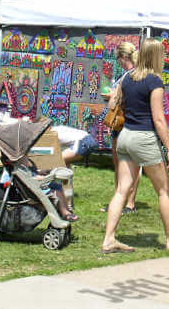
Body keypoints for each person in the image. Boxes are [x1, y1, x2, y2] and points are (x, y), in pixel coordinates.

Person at [101, 38, 169, 253]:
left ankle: (109, 239)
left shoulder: (128, 78)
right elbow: (159, 119)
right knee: (164, 190)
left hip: (125, 137)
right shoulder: (154, 81)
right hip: (143, 138)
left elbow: (114, 103)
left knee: (122, 190)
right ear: (158, 56)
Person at [62, 42, 140, 214]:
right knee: (129, 164)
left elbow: (118, 98)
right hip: (128, 123)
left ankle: (124, 202)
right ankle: (125, 201)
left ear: (123, 57)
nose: (117, 62)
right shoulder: (136, 74)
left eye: (118, 58)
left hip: (122, 122)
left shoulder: (129, 75)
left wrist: (112, 96)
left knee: (123, 164)